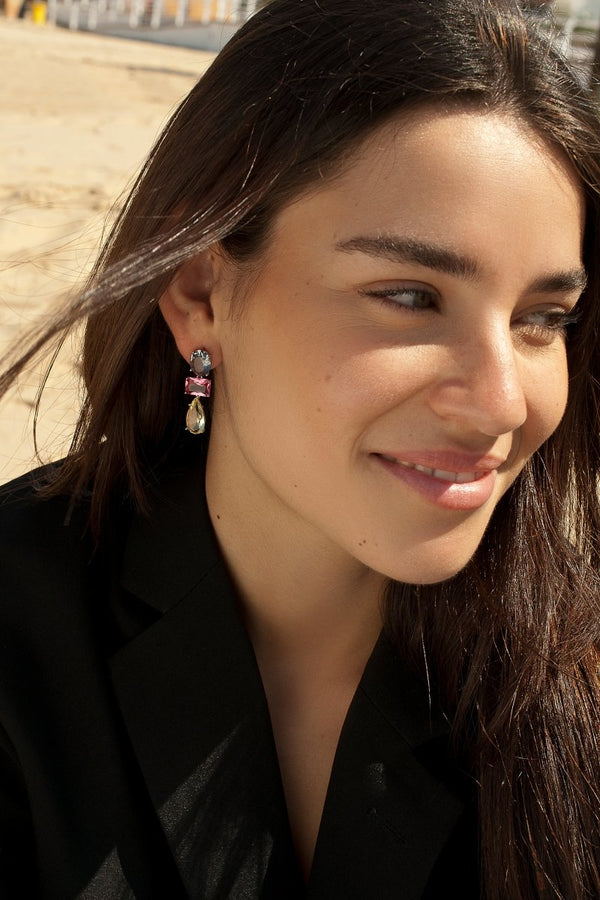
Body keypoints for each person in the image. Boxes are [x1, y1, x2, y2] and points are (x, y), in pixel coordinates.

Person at [0, 0, 599, 896]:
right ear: (200, 292)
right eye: (408, 296)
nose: (499, 404)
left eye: (541, 319)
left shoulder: (565, 683)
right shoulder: (20, 631)